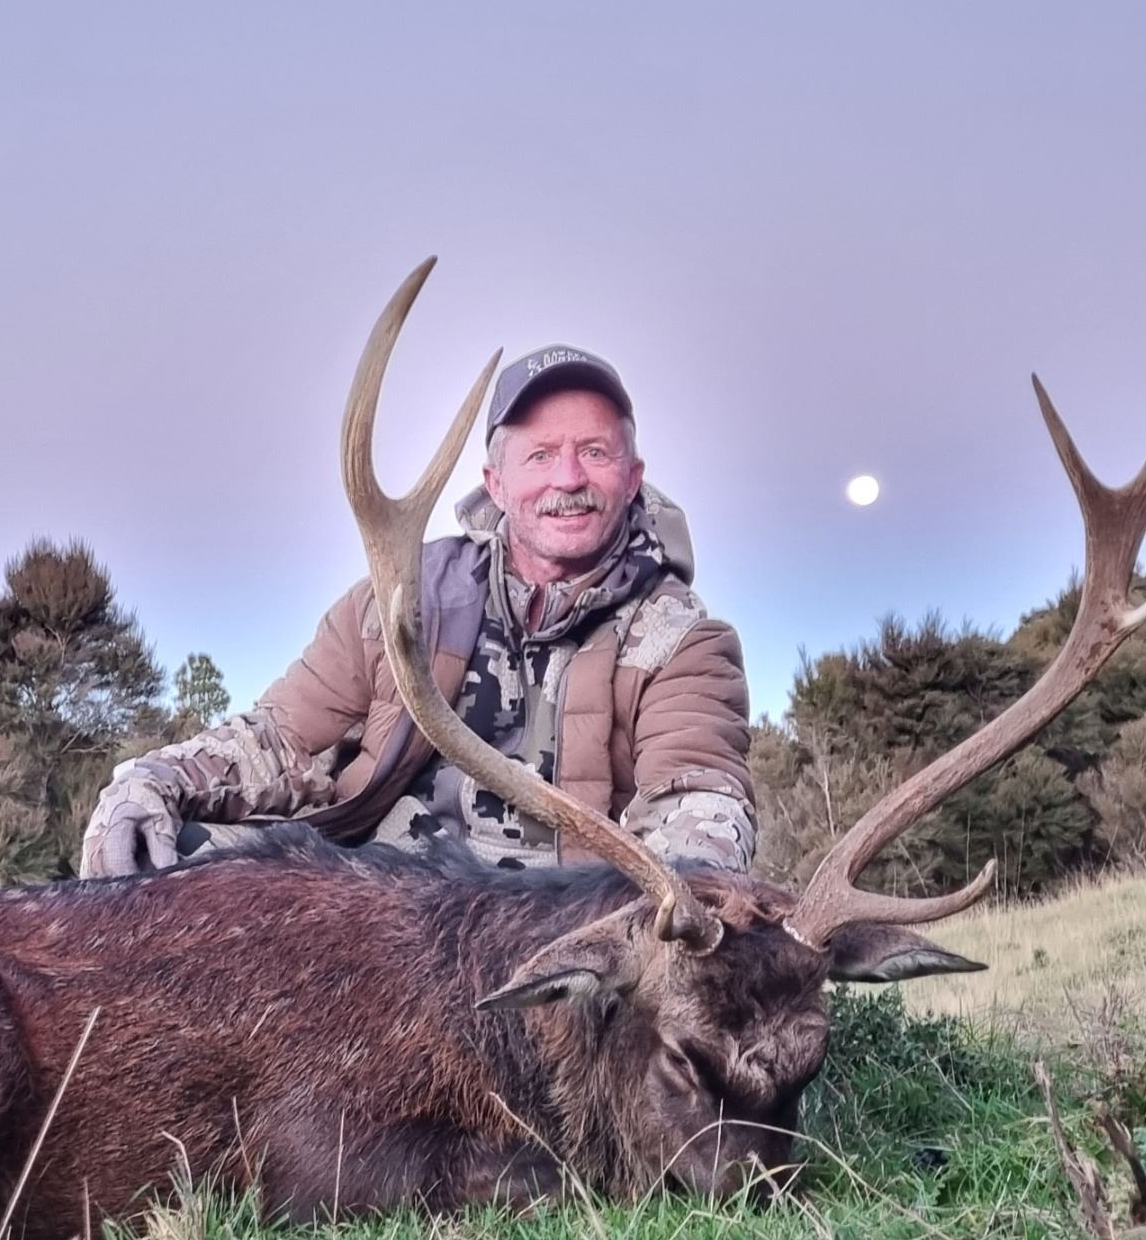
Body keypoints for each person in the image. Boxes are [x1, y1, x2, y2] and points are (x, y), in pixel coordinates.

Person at [79, 344, 757, 878]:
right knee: (168, 851)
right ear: (496, 484)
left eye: (595, 452)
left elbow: (699, 802)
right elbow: (281, 741)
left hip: (548, 926)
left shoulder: (679, 639)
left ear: (632, 478)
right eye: (541, 455)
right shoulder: (404, 596)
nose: (568, 478)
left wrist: (675, 898)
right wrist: (149, 781)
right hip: (377, 896)